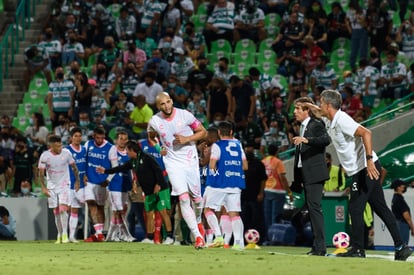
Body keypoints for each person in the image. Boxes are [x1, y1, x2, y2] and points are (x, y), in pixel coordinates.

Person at [306, 89, 412, 260]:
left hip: (365, 168)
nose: (319, 106)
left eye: (320, 103)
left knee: (355, 208)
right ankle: (401, 247)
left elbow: (366, 133)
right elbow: (318, 112)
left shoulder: (342, 120)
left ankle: (357, 249)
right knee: (381, 208)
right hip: (362, 168)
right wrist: (307, 104)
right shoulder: (330, 118)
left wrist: (369, 160)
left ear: (328, 105)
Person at [147, 92, 207, 249]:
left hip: (190, 159)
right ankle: (198, 236)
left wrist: (187, 139)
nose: (166, 106)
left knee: (197, 199)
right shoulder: (155, 120)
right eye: (162, 104)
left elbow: (203, 132)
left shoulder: (184, 115)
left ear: (172, 101)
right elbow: (151, 137)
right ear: (158, 106)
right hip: (172, 162)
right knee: (183, 198)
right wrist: (159, 148)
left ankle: (199, 221)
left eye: (168, 102)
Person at [97, 140, 174, 245]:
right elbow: (120, 168)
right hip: (149, 191)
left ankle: (169, 237)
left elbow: (158, 171)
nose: (126, 153)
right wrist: (105, 171)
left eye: (127, 151)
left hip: (161, 189)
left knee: (163, 212)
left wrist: (158, 185)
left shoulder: (147, 158)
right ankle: (150, 238)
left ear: (132, 150)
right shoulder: (133, 161)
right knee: (149, 213)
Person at [292, 96, 330, 256]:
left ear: (307, 110)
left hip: (314, 173)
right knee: (311, 210)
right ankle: (316, 246)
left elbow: (326, 140)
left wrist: (306, 140)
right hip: (306, 174)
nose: (295, 112)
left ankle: (320, 247)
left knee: (314, 209)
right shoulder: (303, 126)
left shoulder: (315, 124)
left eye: (298, 109)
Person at [203, 121, 248, 250]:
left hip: (218, 184)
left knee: (208, 210)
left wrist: (217, 174)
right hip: (235, 183)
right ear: (231, 132)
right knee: (234, 214)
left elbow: (212, 165)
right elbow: (245, 166)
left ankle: (218, 237)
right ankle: (239, 244)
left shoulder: (217, 146)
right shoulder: (238, 145)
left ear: (218, 133)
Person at [38, 135, 80, 244]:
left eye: (61, 145)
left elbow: (74, 168)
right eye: (57, 146)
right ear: (51, 146)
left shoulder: (66, 154)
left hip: (64, 184)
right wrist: (43, 187)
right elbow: (41, 173)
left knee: (62, 210)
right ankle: (59, 234)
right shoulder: (45, 156)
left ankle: (65, 234)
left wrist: (77, 181)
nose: (60, 148)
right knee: (56, 212)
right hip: (51, 186)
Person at [84, 127, 116, 242]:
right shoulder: (88, 144)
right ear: (94, 136)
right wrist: (83, 175)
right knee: (91, 204)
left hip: (102, 183)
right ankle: (98, 233)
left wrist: (108, 180)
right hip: (88, 182)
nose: (100, 140)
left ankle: (100, 233)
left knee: (100, 207)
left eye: (102, 137)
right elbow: (83, 160)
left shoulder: (110, 148)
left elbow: (115, 165)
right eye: (98, 137)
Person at [262, 144, 293, 236]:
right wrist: (289, 192)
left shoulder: (263, 161)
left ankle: (268, 236)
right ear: (277, 152)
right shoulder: (278, 162)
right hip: (278, 191)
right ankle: (275, 236)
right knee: (275, 216)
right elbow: (282, 178)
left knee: (267, 216)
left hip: (266, 190)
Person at [66, 127, 87, 243]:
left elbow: (85, 165)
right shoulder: (67, 151)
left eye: (80, 136)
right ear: (71, 138)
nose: (78, 138)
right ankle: (68, 235)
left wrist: (85, 176)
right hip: (69, 185)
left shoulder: (84, 150)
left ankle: (73, 236)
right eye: (75, 136)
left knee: (76, 210)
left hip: (82, 186)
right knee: (70, 210)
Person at [391, 179, 414, 245]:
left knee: (400, 244)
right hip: (402, 224)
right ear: (398, 187)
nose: (404, 187)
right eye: (403, 186)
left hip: (398, 223)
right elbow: (406, 215)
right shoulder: (399, 199)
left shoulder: (395, 198)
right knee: (404, 244)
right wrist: (412, 227)